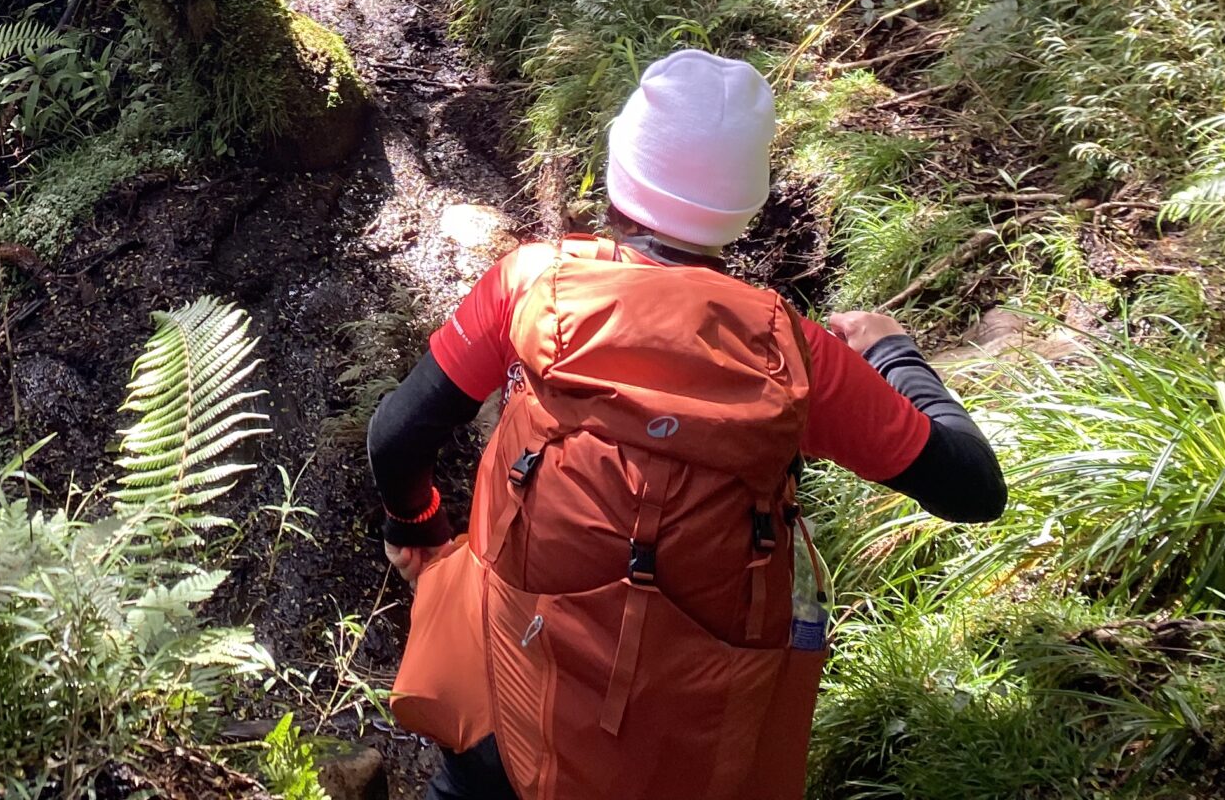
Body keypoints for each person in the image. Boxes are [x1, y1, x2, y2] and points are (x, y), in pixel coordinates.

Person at [368, 49, 1006, 800]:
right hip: (684, 748)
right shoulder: (799, 358)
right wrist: (894, 353)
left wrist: (420, 526)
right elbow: (973, 488)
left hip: (509, 714)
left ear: (618, 171)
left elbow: (398, 438)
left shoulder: (531, 282)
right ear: (746, 208)